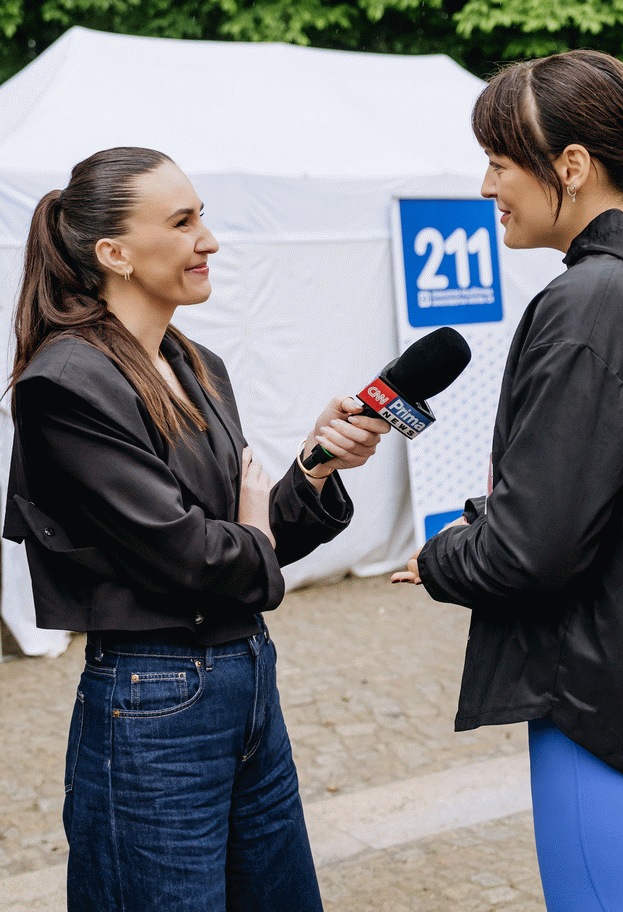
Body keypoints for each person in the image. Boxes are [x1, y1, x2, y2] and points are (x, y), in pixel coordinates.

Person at [2, 146, 390, 912]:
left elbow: (242, 538)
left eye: (201, 216)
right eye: (181, 222)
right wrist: (249, 532)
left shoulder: (195, 362)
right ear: (114, 253)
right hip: (155, 700)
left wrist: (314, 465)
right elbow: (194, 555)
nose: (207, 239)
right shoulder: (65, 386)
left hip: (246, 681)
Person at [391, 49, 623, 911]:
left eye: (498, 161)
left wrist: (445, 557)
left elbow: (536, 547)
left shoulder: (596, 299)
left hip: (604, 698)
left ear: (571, 166)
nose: (486, 186)